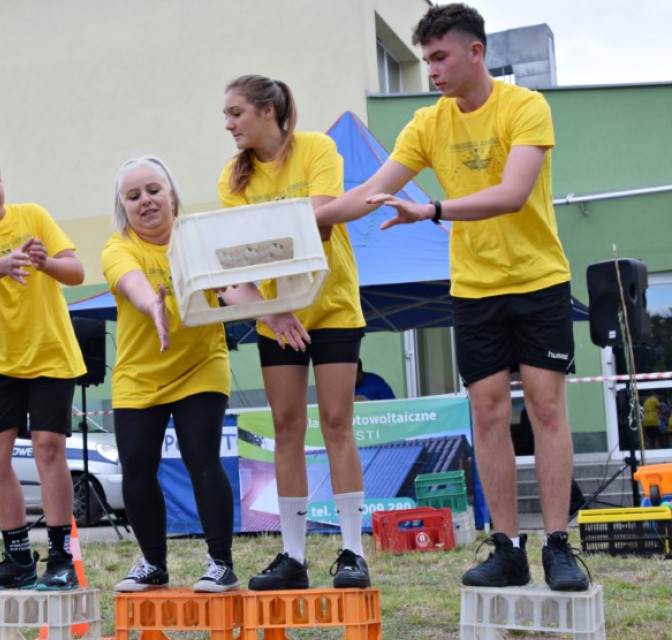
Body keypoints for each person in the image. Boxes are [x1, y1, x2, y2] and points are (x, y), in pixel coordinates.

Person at [312, 3, 588, 590]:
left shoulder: (525, 106)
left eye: (439, 57)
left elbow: (512, 193)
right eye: (424, 60)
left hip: (538, 280)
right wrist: (311, 220)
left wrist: (431, 210)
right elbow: (371, 190)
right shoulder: (426, 123)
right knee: (487, 412)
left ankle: (559, 545)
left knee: (545, 407)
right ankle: (508, 548)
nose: (431, 70)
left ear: (475, 53)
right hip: (475, 288)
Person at [217, 75, 371, 591]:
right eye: (227, 114)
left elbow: (321, 225)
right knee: (286, 426)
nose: (228, 123)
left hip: (332, 308)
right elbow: (240, 257)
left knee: (336, 423)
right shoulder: (231, 180)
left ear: (268, 111)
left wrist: (280, 233)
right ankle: (293, 556)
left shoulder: (318, 148)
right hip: (274, 315)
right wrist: (274, 312)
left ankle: (352, 551)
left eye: (236, 113)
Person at [0, 148, 87, 591]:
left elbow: (77, 272)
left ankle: (61, 556)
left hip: (51, 353)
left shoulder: (33, 216)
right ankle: (18, 557)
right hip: (1, 361)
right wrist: (6, 264)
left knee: (48, 446)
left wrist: (46, 263)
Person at [103, 156, 239, 593]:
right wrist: (153, 306)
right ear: (123, 207)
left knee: (202, 458)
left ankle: (220, 563)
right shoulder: (118, 247)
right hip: (139, 375)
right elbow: (132, 283)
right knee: (137, 469)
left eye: (153, 190)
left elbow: (232, 287)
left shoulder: (197, 237)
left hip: (202, 364)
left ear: (172, 194)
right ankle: (153, 563)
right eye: (134, 195)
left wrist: (272, 316)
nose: (146, 201)